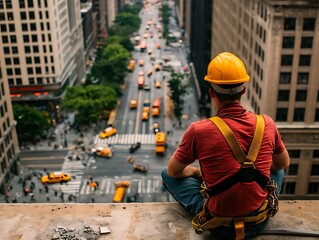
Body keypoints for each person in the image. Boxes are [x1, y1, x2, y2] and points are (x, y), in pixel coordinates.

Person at [161, 52, 290, 240]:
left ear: (211, 92)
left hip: (220, 226)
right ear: (243, 90)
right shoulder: (266, 124)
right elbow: (282, 163)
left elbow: (173, 172)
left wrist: (198, 173)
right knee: (278, 172)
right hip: (260, 220)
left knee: (166, 174)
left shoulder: (199, 130)